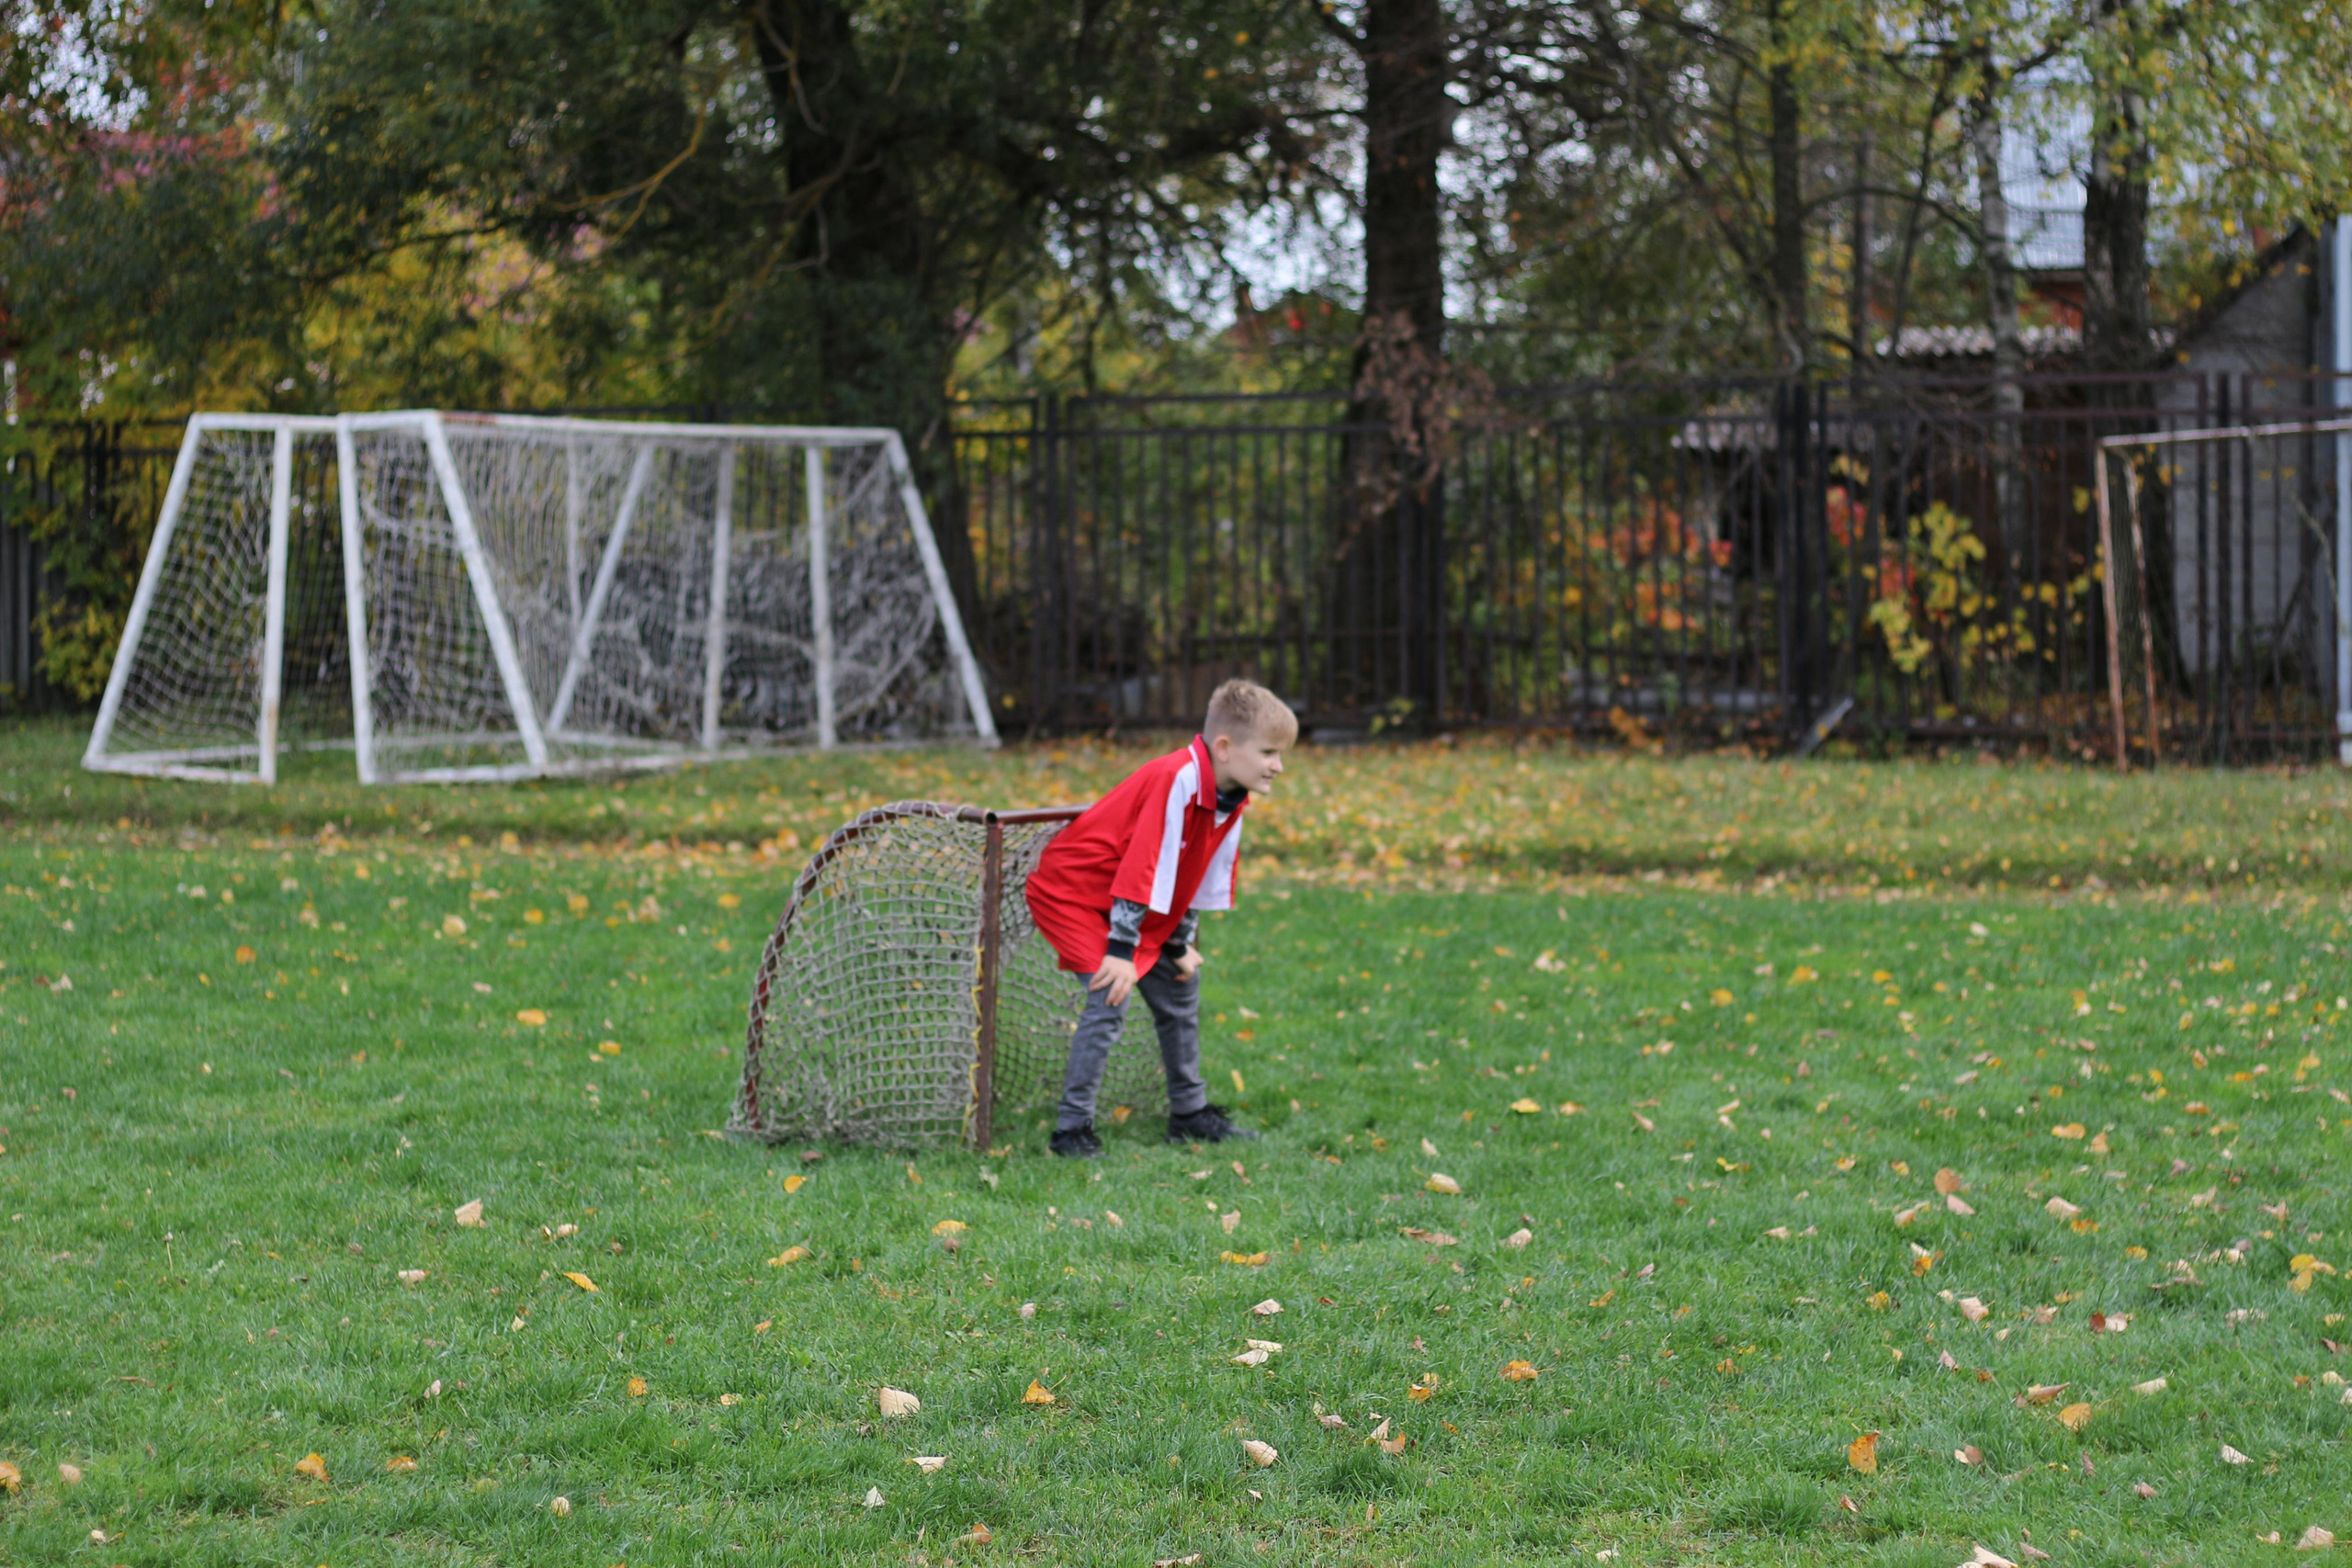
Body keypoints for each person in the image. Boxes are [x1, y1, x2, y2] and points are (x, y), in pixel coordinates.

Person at [1023, 679, 1295, 1157]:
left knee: (1179, 983)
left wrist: (1177, 943)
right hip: (1073, 894)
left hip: (1124, 902)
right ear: (1225, 748)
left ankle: (1188, 1114)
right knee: (1111, 993)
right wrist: (1120, 951)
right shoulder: (1177, 779)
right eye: (1269, 752)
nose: (1278, 765)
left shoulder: (1233, 796)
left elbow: (1195, 875)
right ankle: (1071, 1131)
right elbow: (1144, 864)